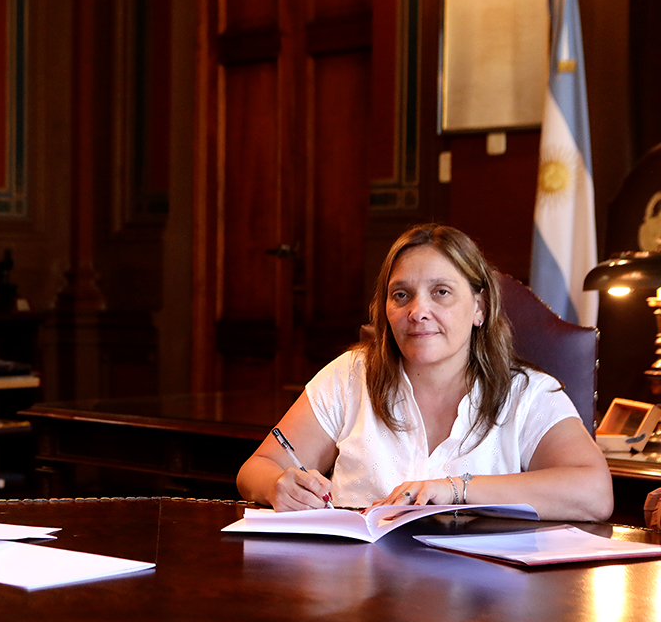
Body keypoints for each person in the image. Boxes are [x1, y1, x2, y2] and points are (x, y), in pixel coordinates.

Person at [236, 223, 614, 521]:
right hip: (357, 583)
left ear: (480, 308)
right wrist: (277, 485)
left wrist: (455, 490)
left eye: (441, 292)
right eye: (401, 295)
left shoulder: (528, 394)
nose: (417, 312)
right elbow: (257, 468)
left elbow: (595, 493)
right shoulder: (349, 376)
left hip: (481, 591)